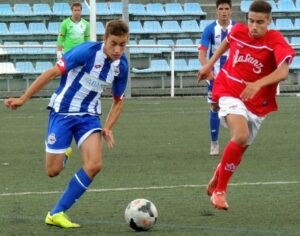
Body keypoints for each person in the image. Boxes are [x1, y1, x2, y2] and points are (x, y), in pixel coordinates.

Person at [4, 19, 129, 228]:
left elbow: (118, 102)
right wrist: (23, 99)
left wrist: (107, 127)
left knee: (95, 164)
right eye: (113, 43)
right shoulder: (86, 52)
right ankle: (64, 156)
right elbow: (52, 73)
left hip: (88, 117)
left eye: (122, 45)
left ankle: (56, 213)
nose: (118, 49)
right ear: (105, 39)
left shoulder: (121, 66)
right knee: (52, 172)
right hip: (62, 112)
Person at [198, 0, 295, 210]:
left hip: (257, 101)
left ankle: (219, 172)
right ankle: (220, 191)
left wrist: (258, 84)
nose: (254, 26)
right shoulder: (239, 30)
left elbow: (283, 71)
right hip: (229, 89)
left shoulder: (275, 40)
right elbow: (227, 42)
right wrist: (209, 65)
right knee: (240, 135)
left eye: (260, 22)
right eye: (251, 21)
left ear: (269, 21)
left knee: (241, 146)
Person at [198, 0, 236, 156]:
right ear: (216, 10)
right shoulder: (209, 29)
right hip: (215, 76)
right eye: (221, 9)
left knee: (237, 106)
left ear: (231, 11)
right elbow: (202, 53)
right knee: (214, 107)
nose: (224, 12)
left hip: (234, 76)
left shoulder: (238, 28)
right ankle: (214, 143)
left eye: (227, 9)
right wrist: (208, 70)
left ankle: (236, 142)